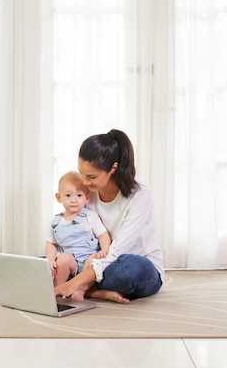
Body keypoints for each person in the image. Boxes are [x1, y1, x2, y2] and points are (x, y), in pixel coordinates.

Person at [54, 129, 164, 304]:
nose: (85, 182)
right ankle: (95, 291)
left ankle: (78, 284)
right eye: (81, 173)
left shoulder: (139, 193)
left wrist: (74, 281)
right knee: (49, 263)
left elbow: (119, 250)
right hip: (92, 261)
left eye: (91, 176)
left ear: (113, 168)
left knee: (130, 269)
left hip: (127, 262)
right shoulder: (88, 191)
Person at [45, 171, 111, 301]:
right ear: (59, 197)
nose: (74, 200)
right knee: (63, 258)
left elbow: (103, 235)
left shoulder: (90, 216)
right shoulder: (56, 222)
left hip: (87, 259)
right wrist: (50, 260)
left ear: (87, 197)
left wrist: (104, 250)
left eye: (79, 195)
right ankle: (58, 288)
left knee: (94, 260)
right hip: (71, 263)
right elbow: (50, 243)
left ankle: (81, 289)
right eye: (68, 195)